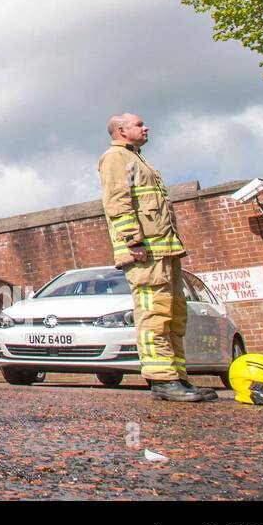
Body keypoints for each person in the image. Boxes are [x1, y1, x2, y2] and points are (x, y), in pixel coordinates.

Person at [98, 113, 217, 402]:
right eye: (139, 124)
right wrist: (133, 240)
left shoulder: (137, 159)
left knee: (174, 315)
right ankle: (162, 380)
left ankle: (178, 378)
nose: (146, 127)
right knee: (154, 315)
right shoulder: (115, 158)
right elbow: (117, 200)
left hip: (164, 251)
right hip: (145, 253)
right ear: (122, 130)